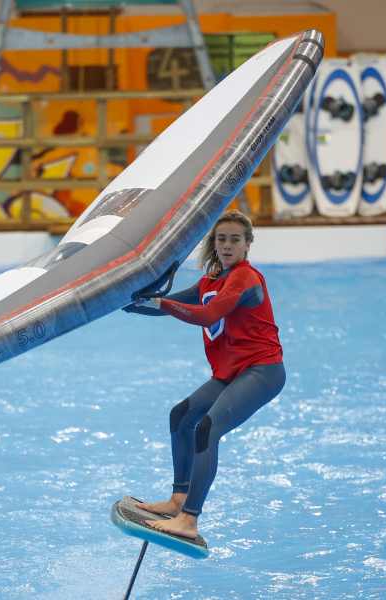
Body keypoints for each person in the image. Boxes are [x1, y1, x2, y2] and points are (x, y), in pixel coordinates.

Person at [123, 209, 286, 541]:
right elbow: (168, 303)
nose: (227, 245)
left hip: (263, 371)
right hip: (231, 372)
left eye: (235, 240)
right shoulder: (211, 281)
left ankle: (189, 519)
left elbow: (207, 313)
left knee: (207, 428)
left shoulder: (246, 277)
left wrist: (161, 304)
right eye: (221, 238)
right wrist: (123, 301)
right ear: (214, 242)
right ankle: (178, 499)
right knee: (181, 417)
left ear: (247, 244)